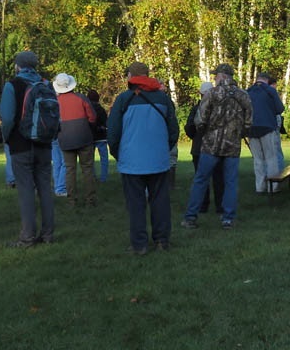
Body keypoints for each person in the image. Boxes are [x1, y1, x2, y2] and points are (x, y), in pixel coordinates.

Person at [108, 62, 178, 253]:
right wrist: (163, 149)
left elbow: (113, 132)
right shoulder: (164, 100)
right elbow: (173, 131)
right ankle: (162, 241)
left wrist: (118, 153)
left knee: (136, 205)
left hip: (131, 161)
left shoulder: (123, 99)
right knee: (160, 202)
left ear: (130, 76)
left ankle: (139, 245)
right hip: (158, 160)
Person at [0, 50, 57, 248]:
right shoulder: (46, 84)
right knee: (45, 189)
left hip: (21, 145)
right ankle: (48, 234)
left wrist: (7, 138)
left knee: (25, 190)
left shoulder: (12, 85)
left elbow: (6, 118)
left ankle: (28, 237)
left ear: (18, 66)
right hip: (44, 142)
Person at [182, 64, 252, 230]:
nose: (214, 78)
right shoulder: (243, 95)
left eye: (216, 75)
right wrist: (237, 133)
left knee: (200, 181)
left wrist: (206, 132)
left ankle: (191, 217)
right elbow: (249, 122)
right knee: (230, 182)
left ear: (222, 76)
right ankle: (228, 219)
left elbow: (200, 120)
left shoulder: (211, 94)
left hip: (210, 146)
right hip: (232, 146)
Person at [53, 73, 98, 208]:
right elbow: (92, 117)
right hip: (84, 137)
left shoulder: (55, 102)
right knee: (87, 169)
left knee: (69, 170)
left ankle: (72, 201)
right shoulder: (81, 98)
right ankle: (90, 200)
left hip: (65, 139)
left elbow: (53, 122)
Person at [184, 81, 223, 213]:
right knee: (218, 178)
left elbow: (189, 127)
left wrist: (195, 137)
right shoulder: (219, 109)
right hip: (216, 147)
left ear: (200, 94)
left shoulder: (196, 109)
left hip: (199, 148)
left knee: (201, 179)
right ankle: (220, 206)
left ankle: (202, 206)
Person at [246, 71, 285, 194]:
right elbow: (280, 109)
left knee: (258, 159)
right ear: (267, 81)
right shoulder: (270, 91)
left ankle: (260, 187)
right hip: (268, 127)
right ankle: (273, 187)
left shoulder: (248, 91)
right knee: (271, 158)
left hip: (252, 129)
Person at [85, 89, 110, 182]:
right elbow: (106, 123)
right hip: (102, 137)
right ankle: (104, 178)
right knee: (104, 159)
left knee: (90, 160)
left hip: (91, 137)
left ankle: (93, 177)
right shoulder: (102, 110)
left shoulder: (87, 110)